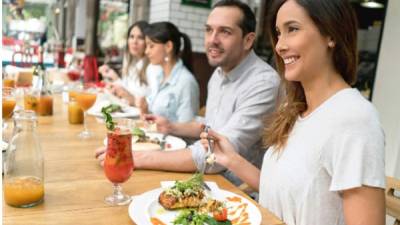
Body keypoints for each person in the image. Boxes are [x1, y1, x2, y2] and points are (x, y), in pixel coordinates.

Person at [200, 0, 386, 225]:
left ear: (331, 35)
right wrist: (230, 159)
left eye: (293, 29)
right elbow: (280, 191)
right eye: (279, 33)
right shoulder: (296, 109)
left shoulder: (354, 119)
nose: (279, 45)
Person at [96, 0, 280, 185]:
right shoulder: (218, 73)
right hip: (207, 178)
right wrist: (172, 127)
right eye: (208, 30)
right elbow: (211, 127)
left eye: (225, 31)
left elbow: (217, 153)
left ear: (248, 40)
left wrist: (140, 157)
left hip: (237, 191)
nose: (212, 40)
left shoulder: (264, 82)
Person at [136, 21, 200, 122]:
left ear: (168, 47)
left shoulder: (186, 82)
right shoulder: (159, 76)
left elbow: (187, 127)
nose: (146, 51)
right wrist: (146, 110)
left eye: (151, 46)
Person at [98, 21, 160, 105]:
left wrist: (131, 98)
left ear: (148, 41)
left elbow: (154, 106)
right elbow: (127, 91)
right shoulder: (131, 63)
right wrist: (115, 81)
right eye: (131, 37)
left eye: (140, 37)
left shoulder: (153, 68)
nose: (134, 41)